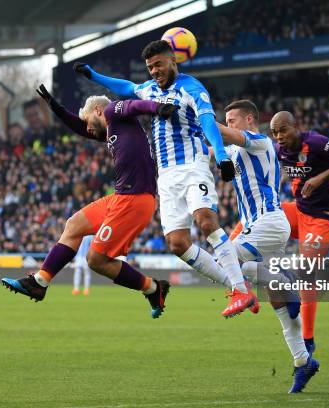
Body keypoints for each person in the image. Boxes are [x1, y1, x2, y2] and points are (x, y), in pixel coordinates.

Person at [74, 40, 256, 318]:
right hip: (167, 175)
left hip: (193, 165)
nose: (155, 71)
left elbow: (208, 120)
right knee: (177, 244)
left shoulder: (192, 88)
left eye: (159, 64)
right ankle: (237, 287)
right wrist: (94, 76)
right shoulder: (148, 89)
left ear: (173, 60)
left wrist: (221, 155)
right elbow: (126, 87)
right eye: (150, 67)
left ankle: (241, 290)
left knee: (205, 219)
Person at [2, 85, 174, 318]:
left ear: (97, 110)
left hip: (135, 199)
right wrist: (56, 108)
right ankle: (40, 282)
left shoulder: (113, 110)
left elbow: (135, 105)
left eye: (89, 122)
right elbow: (80, 127)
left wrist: (157, 108)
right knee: (74, 225)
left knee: (96, 260)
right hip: (121, 196)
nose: (88, 129)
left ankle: (154, 288)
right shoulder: (113, 128)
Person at [217, 100, 319, 393]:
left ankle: (272, 283)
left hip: (269, 222)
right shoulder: (235, 150)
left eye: (232, 119)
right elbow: (211, 147)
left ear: (250, 120)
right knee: (281, 306)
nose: (229, 124)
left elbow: (224, 135)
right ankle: (303, 362)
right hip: (260, 226)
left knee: (224, 257)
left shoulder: (259, 141)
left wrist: (202, 116)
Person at [270, 111, 329, 354]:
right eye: (274, 133)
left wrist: (321, 177)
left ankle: (307, 339)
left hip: (322, 219)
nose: (279, 136)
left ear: (295, 127)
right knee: (261, 217)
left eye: (283, 130)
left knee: (306, 270)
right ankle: (237, 278)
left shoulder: (317, 142)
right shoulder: (279, 150)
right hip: (298, 211)